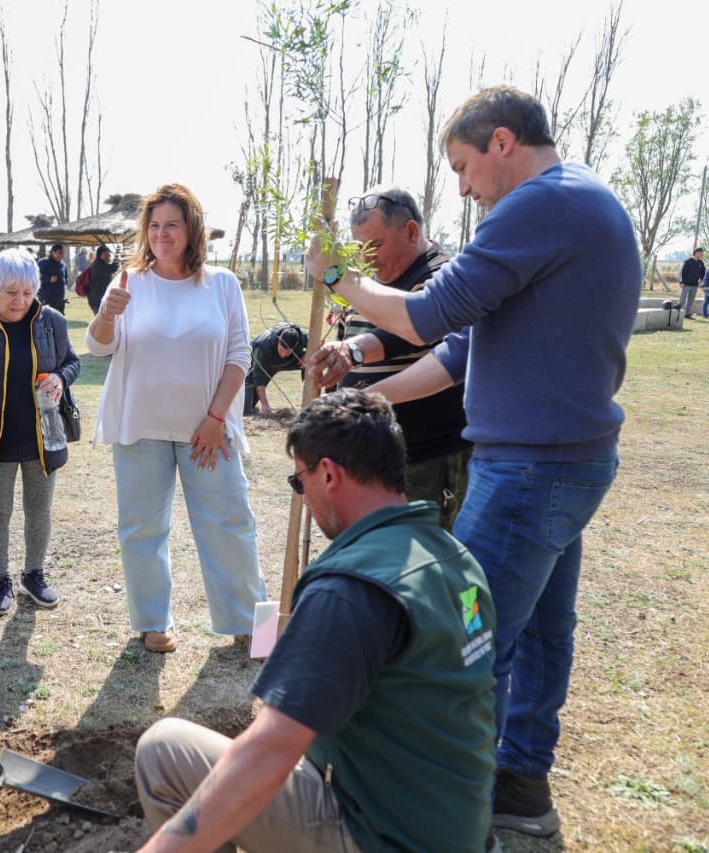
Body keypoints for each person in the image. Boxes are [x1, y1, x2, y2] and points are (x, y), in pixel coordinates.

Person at [306, 85, 642, 838]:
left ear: (500, 141)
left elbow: (428, 313)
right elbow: (461, 350)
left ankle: (448, 809)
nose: (461, 186)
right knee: (547, 629)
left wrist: (337, 279)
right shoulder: (580, 204)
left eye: (461, 165)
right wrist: (375, 401)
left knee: (468, 633)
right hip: (565, 466)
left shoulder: (540, 205)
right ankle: (520, 781)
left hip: (526, 475)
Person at [134, 389, 498, 853]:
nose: (301, 494)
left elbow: (271, 749)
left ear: (327, 473)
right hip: (454, 827)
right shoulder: (455, 558)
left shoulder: (349, 588)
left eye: (298, 479)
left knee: (163, 753)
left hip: (382, 837)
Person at [86, 182, 267, 654]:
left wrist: (215, 418)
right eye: (155, 226)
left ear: (192, 231)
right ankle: (152, 622)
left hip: (207, 430)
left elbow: (239, 356)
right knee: (141, 528)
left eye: (173, 225)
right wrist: (106, 314)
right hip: (140, 425)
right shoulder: (127, 282)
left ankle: (256, 627)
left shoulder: (222, 284)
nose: (162, 234)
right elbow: (100, 346)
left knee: (232, 522)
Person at [307, 185, 472, 531]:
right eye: (360, 247)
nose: (367, 257)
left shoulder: (440, 275)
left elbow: (411, 329)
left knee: (423, 557)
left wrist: (353, 349)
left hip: (424, 458)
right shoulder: (368, 285)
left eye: (376, 245)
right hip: (368, 458)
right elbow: (351, 338)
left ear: (411, 231)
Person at [0, 249, 81, 615]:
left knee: (39, 510)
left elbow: (72, 362)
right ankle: (0, 579)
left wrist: (60, 377)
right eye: (11, 292)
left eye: (28, 292)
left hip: (43, 435)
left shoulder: (52, 321)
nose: (20, 301)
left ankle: (34, 574)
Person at [242, 322, 307, 417]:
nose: (283, 354)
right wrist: (265, 405)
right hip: (261, 365)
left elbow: (317, 344)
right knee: (246, 407)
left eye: (287, 352)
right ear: (279, 339)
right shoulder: (263, 348)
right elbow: (258, 377)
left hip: (288, 362)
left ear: (296, 345)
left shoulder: (301, 338)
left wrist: (308, 354)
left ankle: (309, 400)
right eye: (281, 350)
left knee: (311, 360)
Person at [87, 244, 121, 314]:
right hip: (97, 301)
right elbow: (114, 268)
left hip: (98, 299)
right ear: (100, 255)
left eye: (109, 255)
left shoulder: (101, 264)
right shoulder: (98, 265)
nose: (108, 256)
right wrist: (117, 253)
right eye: (106, 255)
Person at [38, 242, 69, 314]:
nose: (61, 255)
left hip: (60, 300)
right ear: (52, 252)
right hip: (47, 300)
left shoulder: (63, 264)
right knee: (47, 322)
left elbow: (65, 278)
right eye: (59, 253)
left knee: (59, 322)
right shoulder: (43, 262)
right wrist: (48, 279)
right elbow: (35, 277)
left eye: (62, 253)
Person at [680, 247, 706, 319]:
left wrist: (701, 279)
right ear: (696, 252)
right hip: (686, 284)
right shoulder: (687, 261)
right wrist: (681, 282)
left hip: (695, 284)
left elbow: (703, 272)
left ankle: (687, 313)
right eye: (701, 252)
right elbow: (682, 272)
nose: (702, 254)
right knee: (682, 299)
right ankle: (679, 312)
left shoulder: (701, 263)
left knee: (691, 300)